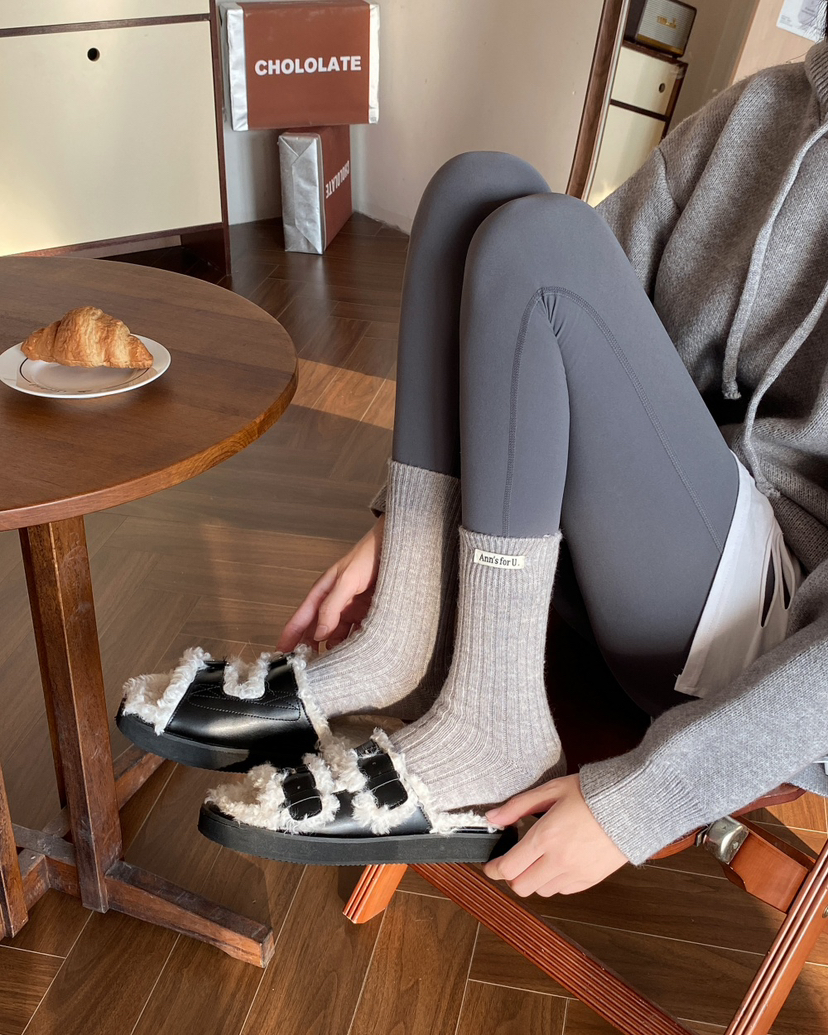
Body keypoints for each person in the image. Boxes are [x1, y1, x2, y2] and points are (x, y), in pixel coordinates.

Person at [121, 32, 828, 896]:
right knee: (477, 190)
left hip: (772, 628)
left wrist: (643, 803)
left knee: (542, 247)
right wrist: (403, 528)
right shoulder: (772, 107)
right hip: (637, 524)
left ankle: (495, 730)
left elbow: (553, 271)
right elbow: (571, 294)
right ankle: (401, 637)